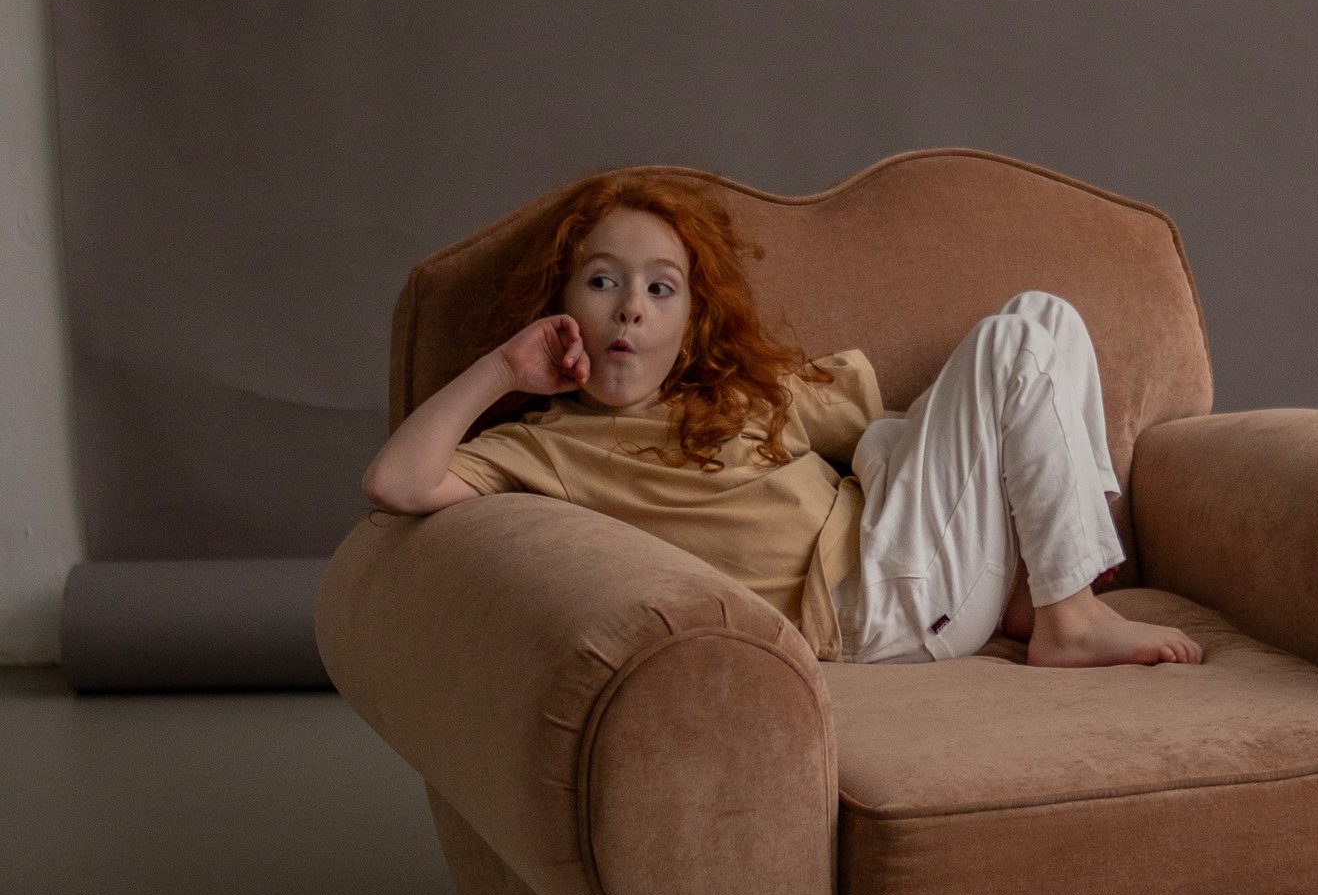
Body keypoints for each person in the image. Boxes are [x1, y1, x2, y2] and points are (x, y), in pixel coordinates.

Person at [361, 174, 1203, 669]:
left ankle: (1041, 585)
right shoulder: (550, 445)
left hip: (907, 551)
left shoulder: (739, 396)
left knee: (1041, 318)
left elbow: (900, 421)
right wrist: (505, 369)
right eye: (602, 281)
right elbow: (397, 481)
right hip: (868, 606)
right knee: (1011, 349)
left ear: (690, 320)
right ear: (563, 303)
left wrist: (967, 462)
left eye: (660, 289)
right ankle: (1068, 618)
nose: (630, 309)